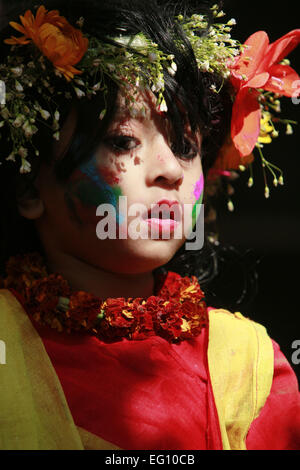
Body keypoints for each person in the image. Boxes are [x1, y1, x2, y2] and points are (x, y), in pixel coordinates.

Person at [0, 0, 299, 451]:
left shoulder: (249, 364)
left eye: (184, 144)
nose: (169, 170)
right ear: (28, 188)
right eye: (122, 140)